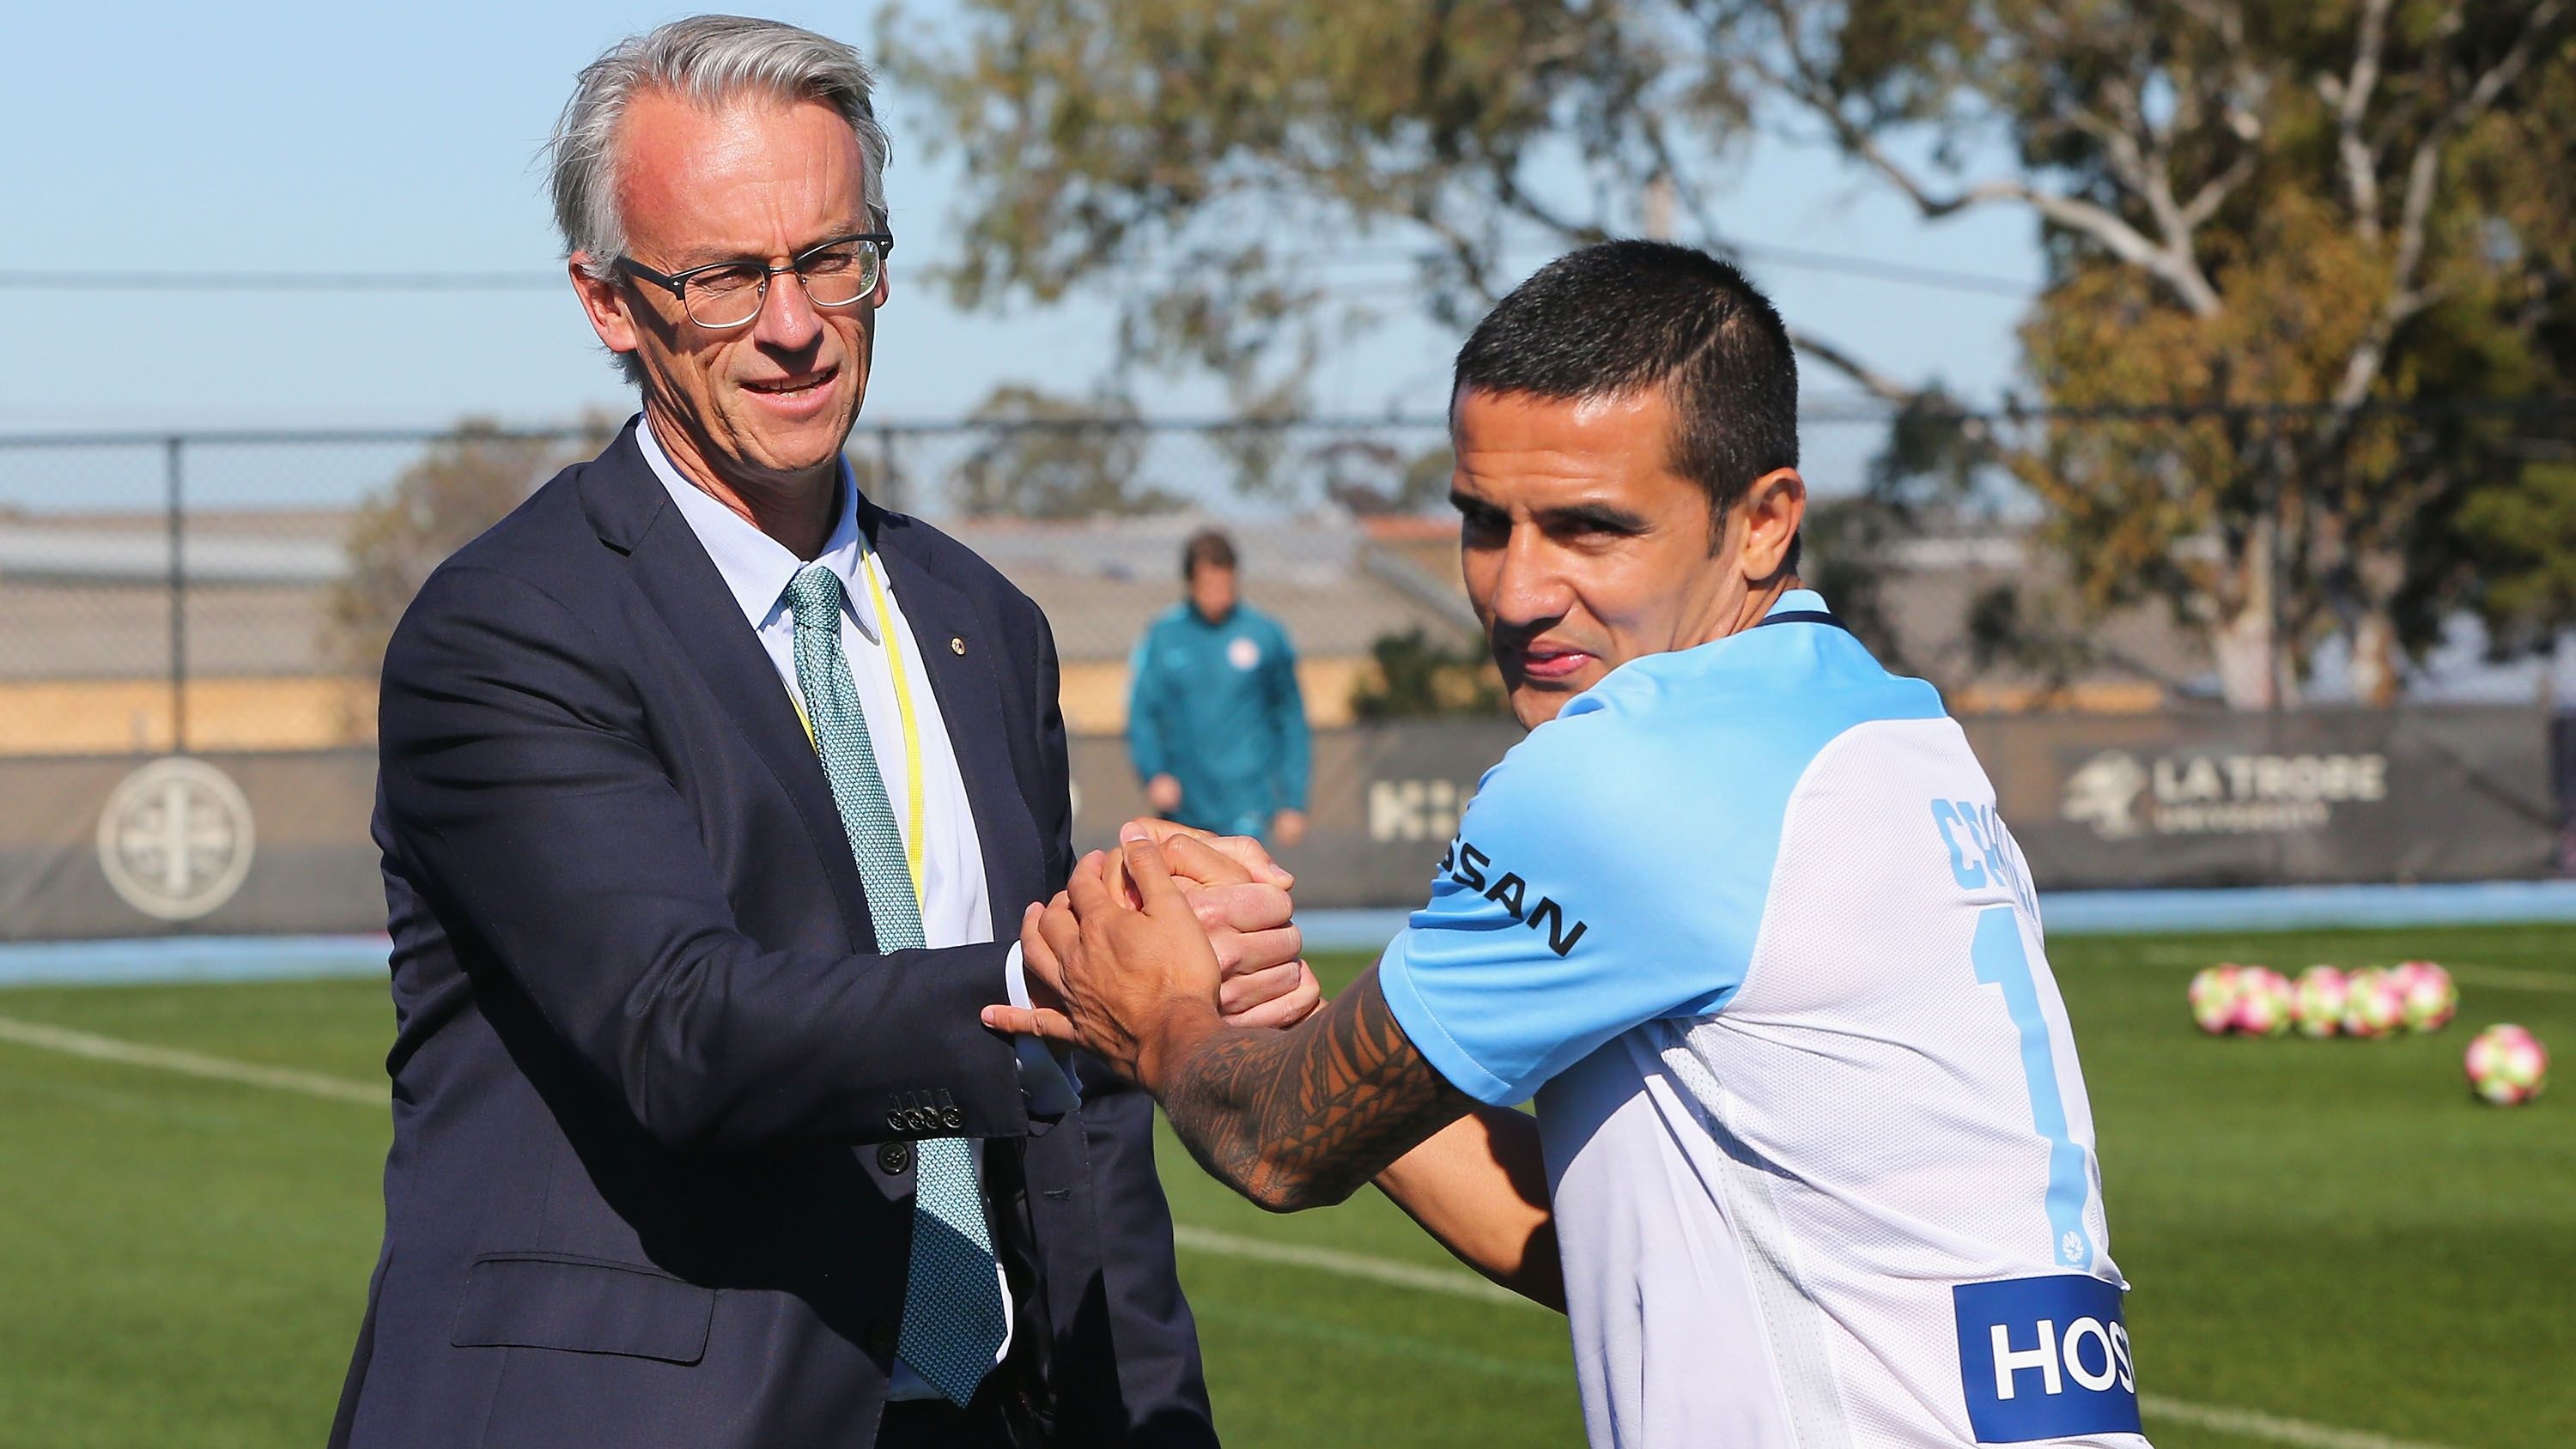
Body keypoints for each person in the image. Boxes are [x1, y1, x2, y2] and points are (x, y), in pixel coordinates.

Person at [331, 18, 1316, 1449]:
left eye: (831, 257)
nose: (793, 324)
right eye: (727, 275)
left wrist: (1150, 1413)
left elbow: (1082, 1121)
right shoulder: (508, 628)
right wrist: (1060, 968)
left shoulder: (988, 624)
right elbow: (683, 1024)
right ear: (608, 302)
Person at [989, 242, 2148, 1448]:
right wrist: (1288, 1021)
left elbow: (1277, 1143)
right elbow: (1588, 1232)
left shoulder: (1634, 764)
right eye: (1486, 523)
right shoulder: (1889, 729)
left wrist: (1163, 1015)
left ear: (1763, 522)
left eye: (1591, 530)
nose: (1519, 589)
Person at [1126, 529, 1310, 846]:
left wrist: (1293, 800)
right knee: (1187, 891)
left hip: (1246, 799)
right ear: (1191, 584)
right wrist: (1154, 773)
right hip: (1184, 803)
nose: (1219, 595)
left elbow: (1291, 718)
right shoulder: (1163, 636)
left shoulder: (1265, 634)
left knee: (1240, 887)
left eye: (1226, 585)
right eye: (1209, 585)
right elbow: (1141, 713)